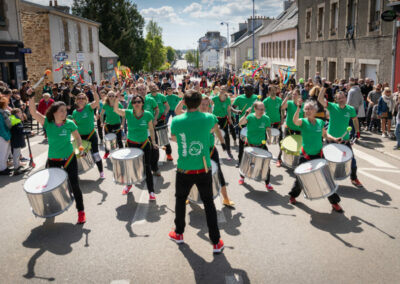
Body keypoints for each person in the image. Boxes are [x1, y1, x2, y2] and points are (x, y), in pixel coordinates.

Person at [169, 89, 224, 253]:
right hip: (203, 168)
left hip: (184, 169)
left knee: (180, 201)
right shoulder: (208, 118)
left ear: (184, 103)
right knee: (209, 204)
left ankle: (179, 233)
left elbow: (173, 138)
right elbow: (214, 128)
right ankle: (216, 242)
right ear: (200, 103)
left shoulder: (177, 120)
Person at [28, 88, 87, 224]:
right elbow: (33, 112)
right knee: (49, 186)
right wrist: (31, 96)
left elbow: (77, 138)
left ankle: (81, 212)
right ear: (54, 112)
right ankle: (49, 209)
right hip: (53, 160)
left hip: (69, 159)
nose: (64, 113)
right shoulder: (47, 123)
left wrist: (81, 147)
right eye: (61, 111)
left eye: (65, 111)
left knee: (75, 185)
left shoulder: (70, 124)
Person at [289, 99, 344, 213]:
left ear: (315, 110)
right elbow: (295, 121)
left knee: (326, 178)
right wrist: (298, 108)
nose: (308, 111)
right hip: (305, 156)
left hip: (319, 155)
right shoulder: (303, 121)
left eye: (310, 108)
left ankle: (334, 202)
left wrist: (334, 139)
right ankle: (293, 195)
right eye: (306, 109)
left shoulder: (320, 122)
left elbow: (325, 134)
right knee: (300, 179)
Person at [113, 94, 158, 199]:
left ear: (142, 103)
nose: (136, 104)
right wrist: (116, 98)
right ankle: (128, 185)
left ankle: (151, 192)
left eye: (139, 102)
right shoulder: (128, 113)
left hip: (144, 144)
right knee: (130, 167)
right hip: (131, 144)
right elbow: (116, 110)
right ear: (132, 104)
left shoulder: (147, 114)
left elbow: (151, 129)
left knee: (147, 167)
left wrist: (154, 142)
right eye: (134, 102)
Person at [318, 88, 362, 187]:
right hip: (331, 139)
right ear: (336, 100)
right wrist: (323, 88)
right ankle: (325, 179)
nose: (341, 99)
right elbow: (320, 100)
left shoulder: (350, 109)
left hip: (344, 140)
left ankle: (354, 179)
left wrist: (358, 131)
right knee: (326, 161)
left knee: (352, 161)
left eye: (342, 98)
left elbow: (355, 120)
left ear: (346, 98)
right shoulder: (332, 106)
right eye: (339, 98)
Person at [238, 101, 274, 190]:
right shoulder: (250, 117)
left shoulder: (266, 118)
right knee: (246, 162)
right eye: (260, 109)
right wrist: (246, 114)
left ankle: (267, 183)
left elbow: (268, 129)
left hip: (261, 145)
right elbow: (240, 123)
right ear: (255, 109)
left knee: (266, 165)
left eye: (263, 109)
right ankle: (242, 177)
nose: (262, 111)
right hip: (249, 144)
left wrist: (269, 138)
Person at [72, 84, 104, 178]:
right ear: (76, 101)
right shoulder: (74, 112)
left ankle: (101, 172)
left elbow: (97, 102)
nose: (81, 100)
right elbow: (74, 125)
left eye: (83, 98)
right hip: (81, 138)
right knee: (79, 155)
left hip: (91, 136)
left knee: (96, 154)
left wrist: (94, 92)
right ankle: (77, 173)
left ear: (86, 100)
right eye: (79, 98)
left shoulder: (89, 107)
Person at [231, 84, 258, 167]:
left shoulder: (256, 98)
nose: (250, 93)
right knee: (242, 144)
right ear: (244, 90)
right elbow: (232, 107)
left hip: (254, 124)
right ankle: (240, 161)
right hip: (243, 123)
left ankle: (252, 162)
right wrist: (236, 111)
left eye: (251, 91)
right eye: (247, 91)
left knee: (253, 144)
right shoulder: (239, 98)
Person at [147, 83, 172, 164]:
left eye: (154, 86)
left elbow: (167, 107)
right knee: (152, 139)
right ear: (149, 89)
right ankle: (154, 156)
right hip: (151, 121)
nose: (153, 88)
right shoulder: (147, 97)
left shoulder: (161, 96)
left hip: (161, 120)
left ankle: (169, 154)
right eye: (151, 87)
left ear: (157, 87)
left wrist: (164, 114)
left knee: (164, 137)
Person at [100, 91, 124, 159]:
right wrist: (101, 122)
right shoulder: (105, 105)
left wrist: (122, 124)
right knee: (107, 140)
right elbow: (101, 114)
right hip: (108, 125)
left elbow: (123, 115)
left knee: (119, 140)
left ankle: (122, 152)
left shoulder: (118, 104)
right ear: (107, 97)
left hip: (117, 124)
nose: (111, 97)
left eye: (112, 96)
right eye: (109, 96)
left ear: (115, 97)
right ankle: (107, 153)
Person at [211, 85, 234, 159]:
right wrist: (210, 115)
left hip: (224, 119)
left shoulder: (228, 99)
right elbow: (208, 106)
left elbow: (228, 109)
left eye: (224, 89)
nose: (222, 90)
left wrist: (230, 118)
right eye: (221, 89)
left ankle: (228, 150)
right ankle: (210, 151)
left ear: (226, 91)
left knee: (226, 135)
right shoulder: (215, 98)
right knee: (212, 134)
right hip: (215, 119)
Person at [263, 85, 283, 167]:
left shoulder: (279, 100)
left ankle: (279, 159)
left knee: (281, 142)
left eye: (275, 90)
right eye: (272, 90)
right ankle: (264, 157)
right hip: (267, 124)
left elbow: (281, 110)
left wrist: (282, 119)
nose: (274, 92)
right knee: (263, 141)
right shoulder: (266, 100)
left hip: (277, 123)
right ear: (269, 92)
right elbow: (261, 111)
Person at [10, 108, 26, 175]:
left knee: (17, 153)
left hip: (15, 139)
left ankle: (18, 165)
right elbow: (20, 131)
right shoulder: (16, 120)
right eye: (20, 113)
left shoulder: (13, 118)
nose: (21, 114)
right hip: (16, 140)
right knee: (16, 154)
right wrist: (28, 132)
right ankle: (16, 168)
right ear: (16, 113)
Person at [0, 96, 11, 175]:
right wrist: (7, 137)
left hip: (4, 135)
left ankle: (4, 167)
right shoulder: (1, 113)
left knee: (5, 153)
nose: (8, 104)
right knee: (3, 153)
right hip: (2, 137)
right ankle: (2, 169)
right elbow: (1, 127)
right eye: (6, 103)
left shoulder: (2, 112)